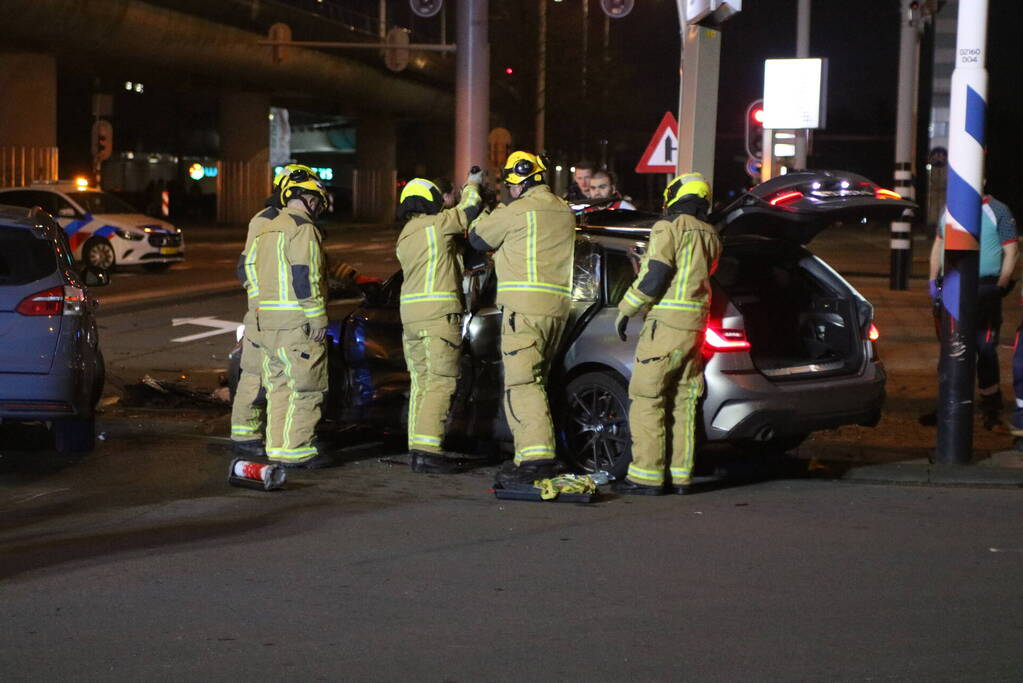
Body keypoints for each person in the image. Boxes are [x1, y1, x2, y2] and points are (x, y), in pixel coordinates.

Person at [469, 151, 576, 486]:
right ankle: (533, 452)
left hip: (524, 311)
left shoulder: (518, 210)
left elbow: (476, 238)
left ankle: (535, 458)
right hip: (557, 310)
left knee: (522, 384)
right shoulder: (563, 210)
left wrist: (479, 201)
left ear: (518, 183)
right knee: (539, 382)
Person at [612, 172, 721, 495]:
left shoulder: (669, 227)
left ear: (676, 195)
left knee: (647, 398)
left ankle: (646, 476)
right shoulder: (711, 234)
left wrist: (626, 309)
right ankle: (681, 476)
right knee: (683, 402)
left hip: (667, 324)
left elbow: (656, 275)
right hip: (696, 327)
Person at [240, 167, 332, 468]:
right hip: (296, 323)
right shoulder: (302, 228)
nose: (318, 205)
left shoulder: (267, 226)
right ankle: (297, 451)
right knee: (305, 388)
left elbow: (248, 269)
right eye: (316, 199)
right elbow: (305, 276)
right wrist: (317, 318)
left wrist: (261, 306)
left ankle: (277, 449)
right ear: (304, 198)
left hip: (267, 322)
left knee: (279, 387)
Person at [396, 170, 485, 473]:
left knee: (422, 383)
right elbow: (469, 211)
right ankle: (428, 451)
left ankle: (418, 446)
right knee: (441, 382)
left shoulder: (406, 235)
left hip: (410, 316)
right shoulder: (437, 225)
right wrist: (473, 184)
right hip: (438, 315)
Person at [924, 194, 1018, 428]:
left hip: (985, 288)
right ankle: (947, 404)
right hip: (952, 286)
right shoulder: (949, 208)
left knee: (984, 348)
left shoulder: (998, 210)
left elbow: (1012, 250)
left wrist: (1001, 284)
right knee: (950, 348)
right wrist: (933, 280)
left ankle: (991, 407)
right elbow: (938, 244)